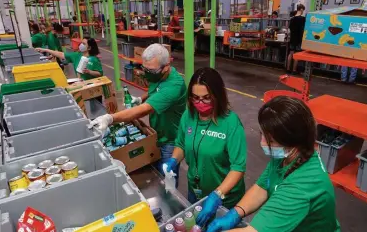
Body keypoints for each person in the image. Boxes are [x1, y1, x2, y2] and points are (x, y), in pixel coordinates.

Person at [205, 96, 340, 232]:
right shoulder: (288, 155)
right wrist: (236, 212)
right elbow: (263, 187)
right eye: (262, 134)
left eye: (270, 140)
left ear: (292, 142)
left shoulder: (302, 185)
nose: (263, 143)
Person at [164, 67, 247, 225]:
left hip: (224, 200)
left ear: (217, 96)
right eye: (195, 98)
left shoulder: (230, 123)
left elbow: (238, 167)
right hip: (195, 193)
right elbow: (181, 144)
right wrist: (174, 159)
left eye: (206, 98)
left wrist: (218, 194)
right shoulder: (188, 116)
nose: (200, 103)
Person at [89, 44, 187, 176]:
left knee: (167, 178)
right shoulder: (157, 74)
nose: (146, 73)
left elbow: (144, 110)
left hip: (170, 140)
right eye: (144, 68)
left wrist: (110, 118)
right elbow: (155, 88)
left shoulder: (174, 86)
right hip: (157, 131)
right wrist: (141, 98)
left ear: (166, 67)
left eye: (151, 71)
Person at [36, 37, 103, 80]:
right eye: (81, 43)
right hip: (82, 86)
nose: (81, 45)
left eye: (83, 44)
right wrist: (45, 50)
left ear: (89, 48)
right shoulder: (77, 55)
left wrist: (89, 72)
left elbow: (100, 74)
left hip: (94, 87)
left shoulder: (94, 59)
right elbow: (61, 54)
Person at [287, 4, 306, 74]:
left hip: (292, 38)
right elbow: (303, 30)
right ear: (301, 9)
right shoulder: (303, 19)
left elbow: (290, 29)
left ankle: (288, 69)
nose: (303, 11)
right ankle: (294, 70)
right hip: (299, 39)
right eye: (303, 10)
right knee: (297, 54)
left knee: (291, 53)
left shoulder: (292, 19)